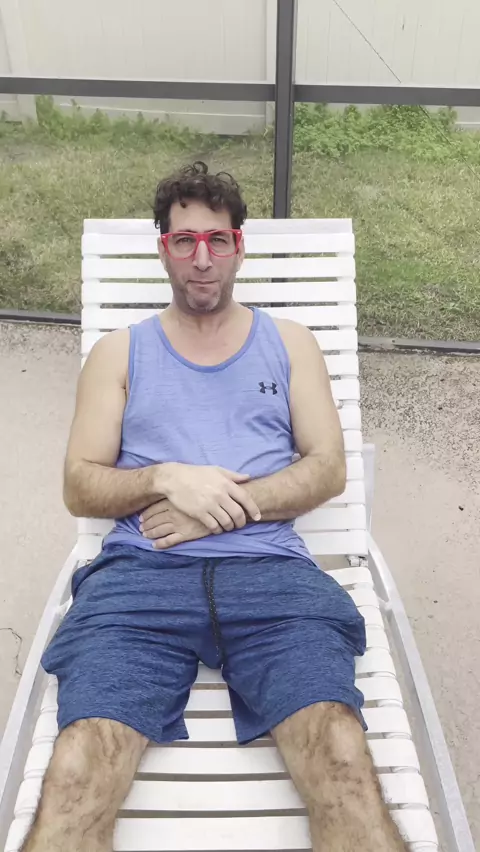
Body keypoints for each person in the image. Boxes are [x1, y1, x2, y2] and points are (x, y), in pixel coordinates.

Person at [22, 162, 407, 852]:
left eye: (217, 240)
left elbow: (327, 467)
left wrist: (223, 505)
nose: (202, 258)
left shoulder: (290, 343)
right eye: (185, 240)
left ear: (239, 247)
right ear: (163, 249)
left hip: (273, 578)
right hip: (140, 580)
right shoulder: (120, 353)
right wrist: (167, 478)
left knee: (341, 753)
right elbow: (79, 484)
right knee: (79, 767)